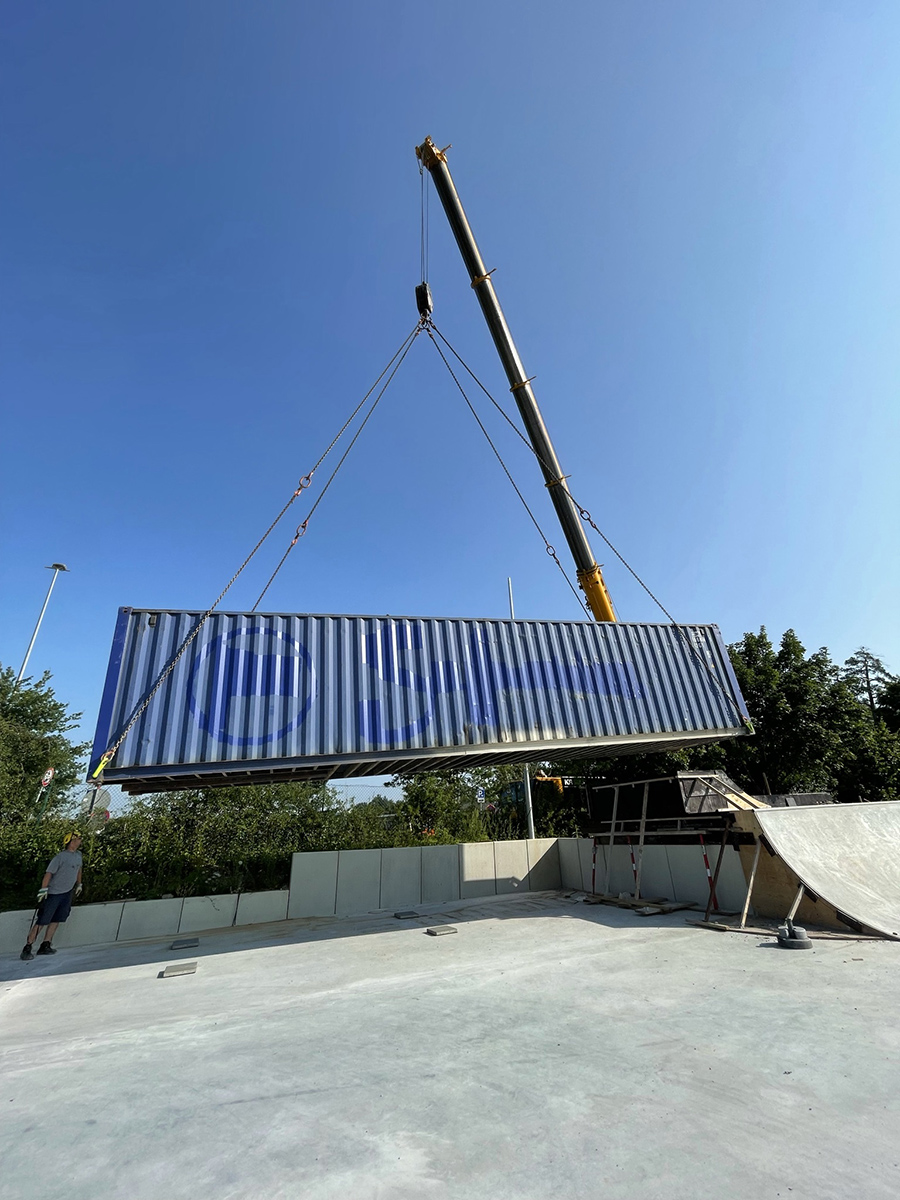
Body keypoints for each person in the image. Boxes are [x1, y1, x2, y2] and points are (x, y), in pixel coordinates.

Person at [20, 831, 84, 960]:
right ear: (71, 841)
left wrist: (79, 884)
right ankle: (27, 947)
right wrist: (43, 889)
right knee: (43, 920)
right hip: (54, 894)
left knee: (57, 919)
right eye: (78, 839)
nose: (80, 840)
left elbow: (79, 869)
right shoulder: (60, 857)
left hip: (66, 893)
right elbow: (49, 873)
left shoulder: (78, 855)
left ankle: (46, 944)